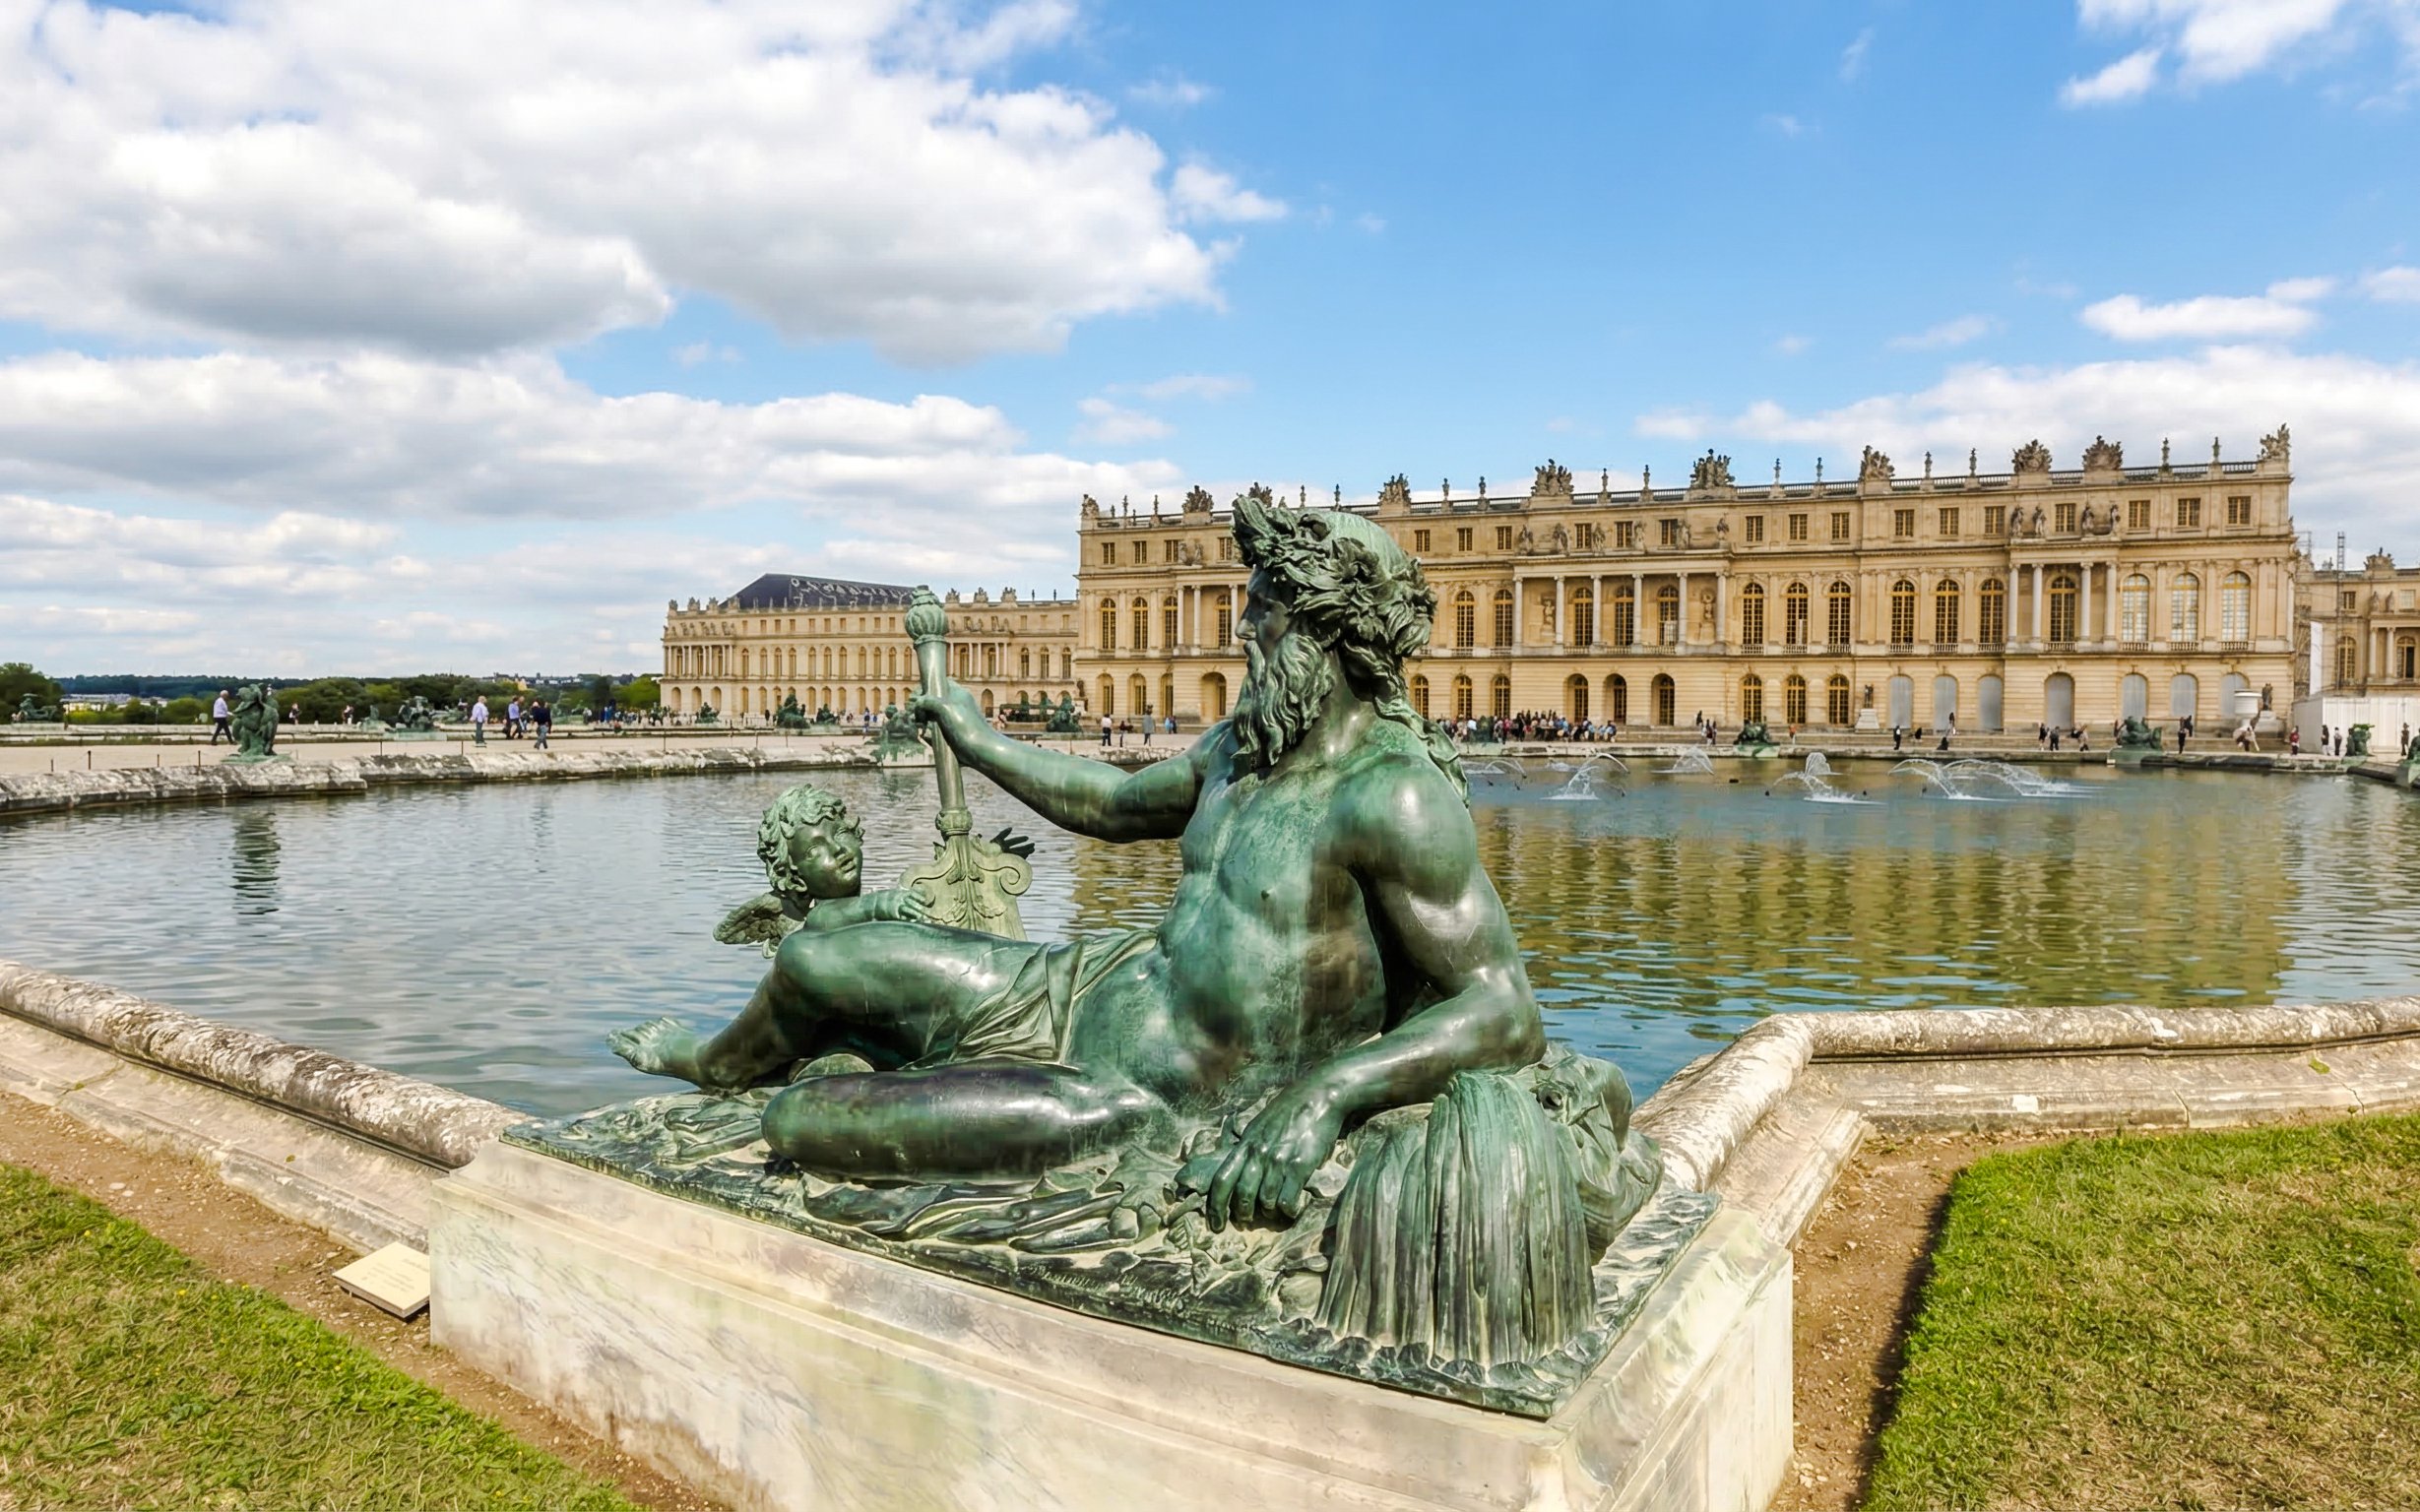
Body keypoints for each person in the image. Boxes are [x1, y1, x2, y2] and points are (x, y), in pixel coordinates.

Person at [610, 498, 1556, 1221]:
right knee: (811, 958)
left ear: (1323, 630)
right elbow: (1110, 803)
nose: (1241, 631)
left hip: (1137, 1093)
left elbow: (1504, 1007)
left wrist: (1325, 1095)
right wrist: (980, 742)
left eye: (1261, 615)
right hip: (1078, 988)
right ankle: (718, 1061)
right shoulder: (1244, 749)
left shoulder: (1390, 793)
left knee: (801, 1124)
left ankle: (906, 1081)